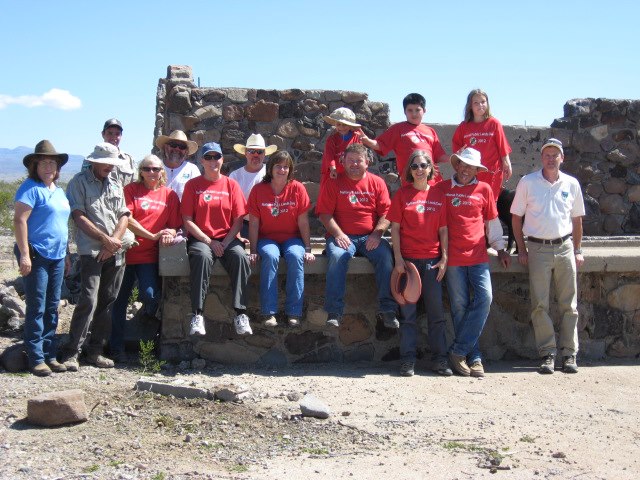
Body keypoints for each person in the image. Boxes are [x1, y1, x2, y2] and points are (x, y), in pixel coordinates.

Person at [510, 138, 585, 375]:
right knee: (539, 304)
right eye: (547, 155)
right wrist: (521, 249)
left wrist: (578, 249)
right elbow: (516, 217)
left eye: (555, 155)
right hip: (538, 249)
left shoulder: (571, 183)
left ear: (562, 157)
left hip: (564, 247)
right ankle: (547, 353)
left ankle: (569, 353)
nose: (551, 159)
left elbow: (577, 219)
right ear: (541, 157)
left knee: (569, 304)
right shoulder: (528, 182)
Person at [435, 147, 510, 377]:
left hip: (478, 255)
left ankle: (459, 351)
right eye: (462, 165)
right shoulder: (442, 189)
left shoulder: (484, 189)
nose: (466, 170)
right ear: (456, 165)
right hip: (452, 257)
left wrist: (501, 248)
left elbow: (492, 222)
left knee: (485, 298)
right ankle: (473, 357)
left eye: (471, 166)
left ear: (477, 169)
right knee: (459, 307)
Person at [60, 143, 131, 370]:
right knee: (88, 300)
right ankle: (72, 351)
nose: (109, 167)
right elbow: (78, 216)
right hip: (91, 251)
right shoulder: (78, 183)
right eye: (106, 162)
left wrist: (113, 243)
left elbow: (124, 216)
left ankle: (95, 351)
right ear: (94, 161)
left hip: (114, 251)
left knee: (108, 301)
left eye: (112, 163)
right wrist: (104, 240)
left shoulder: (115, 183)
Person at [316, 143, 398, 329]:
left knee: (386, 257)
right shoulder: (333, 182)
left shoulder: (377, 182)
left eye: (358, 160)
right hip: (342, 236)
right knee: (337, 257)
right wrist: (338, 234)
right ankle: (334, 312)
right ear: (343, 162)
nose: (354, 164)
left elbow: (387, 213)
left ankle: (388, 310)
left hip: (370, 237)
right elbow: (324, 214)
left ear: (367, 162)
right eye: (350, 160)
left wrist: (377, 234)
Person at [110, 155, 181, 362]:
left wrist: (169, 232)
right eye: (147, 169)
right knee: (119, 302)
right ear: (140, 171)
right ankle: (116, 348)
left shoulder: (170, 195)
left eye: (156, 169)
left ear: (162, 172)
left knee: (151, 296)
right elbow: (127, 219)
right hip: (126, 254)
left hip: (149, 257)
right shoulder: (131, 191)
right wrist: (151, 235)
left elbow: (175, 224)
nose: (152, 173)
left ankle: (149, 338)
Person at [388, 150, 450, 377]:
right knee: (408, 316)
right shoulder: (402, 195)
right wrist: (398, 260)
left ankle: (440, 360)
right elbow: (394, 228)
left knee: (436, 315)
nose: (419, 169)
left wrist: (444, 258)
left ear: (431, 168)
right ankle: (407, 361)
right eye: (414, 166)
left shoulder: (438, 195)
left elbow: (443, 230)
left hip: (432, 263)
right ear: (409, 171)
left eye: (423, 165)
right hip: (408, 263)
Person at [13, 140, 71, 376]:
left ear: (58, 168)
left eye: (53, 162)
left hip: (57, 254)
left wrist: (66, 255)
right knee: (37, 305)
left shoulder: (58, 191)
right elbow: (19, 221)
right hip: (36, 253)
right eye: (44, 162)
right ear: (35, 166)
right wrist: (25, 254)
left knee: (53, 306)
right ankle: (36, 357)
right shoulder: (30, 188)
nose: (49, 166)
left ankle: (50, 354)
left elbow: (61, 225)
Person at [181, 142, 252, 336]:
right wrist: (208, 241)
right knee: (201, 258)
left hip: (228, 238)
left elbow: (238, 219)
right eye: (209, 157)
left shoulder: (231, 185)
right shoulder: (192, 185)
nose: (213, 161)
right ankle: (197, 315)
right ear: (202, 160)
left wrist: (226, 242)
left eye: (217, 157)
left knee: (240, 258)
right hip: (202, 238)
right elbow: (187, 220)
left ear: (222, 159)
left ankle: (240, 314)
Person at [247, 151, 315, 328]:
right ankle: (269, 312)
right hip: (267, 238)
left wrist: (307, 248)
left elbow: (303, 221)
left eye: (286, 166)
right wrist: (253, 251)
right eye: (278, 166)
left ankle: (294, 312)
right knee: (270, 256)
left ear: (290, 169)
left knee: (295, 256)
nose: (282, 170)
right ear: (271, 168)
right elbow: (253, 224)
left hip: (292, 238)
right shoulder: (258, 190)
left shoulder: (298, 188)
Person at [359, 93, 448, 186]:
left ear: (424, 110)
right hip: (411, 184)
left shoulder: (430, 131)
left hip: (433, 184)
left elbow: (439, 156)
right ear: (404, 112)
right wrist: (367, 140)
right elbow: (380, 144)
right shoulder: (398, 129)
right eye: (410, 110)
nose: (414, 114)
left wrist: (456, 157)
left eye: (417, 110)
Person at [452, 89, 512, 200]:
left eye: (483, 102)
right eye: (476, 102)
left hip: (491, 172)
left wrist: (507, 162)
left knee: (489, 201)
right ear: (470, 106)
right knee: (472, 201)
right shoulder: (464, 126)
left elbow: (502, 146)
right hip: (471, 172)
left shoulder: (494, 123)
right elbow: (457, 148)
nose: (480, 105)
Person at [231, 133, 278, 239]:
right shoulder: (235, 176)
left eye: (260, 151)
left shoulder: (273, 173)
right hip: (243, 226)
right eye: (252, 151)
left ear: (265, 153)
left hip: (269, 224)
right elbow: (230, 205)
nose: (256, 155)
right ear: (245, 153)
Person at [81, 118, 137, 186]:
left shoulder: (129, 160)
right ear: (103, 134)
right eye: (110, 133)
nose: (113, 137)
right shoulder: (92, 159)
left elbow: (135, 185)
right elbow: (83, 183)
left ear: (121, 136)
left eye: (117, 134)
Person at [321, 107, 362, 188]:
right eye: (338, 124)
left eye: (345, 125)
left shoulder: (356, 137)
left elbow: (359, 153)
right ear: (335, 124)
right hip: (334, 173)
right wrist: (333, 169)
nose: (341, 127)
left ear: (350, 125)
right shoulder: (332, 139)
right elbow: (329, 156)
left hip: (350, 174)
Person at [155, 130, 200, 200]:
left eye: (182, 146)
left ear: (186, 151)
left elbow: (198, 195)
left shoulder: (192, 170)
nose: (177, 149)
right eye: (173, 145)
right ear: (166, 147)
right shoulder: (155, 167)